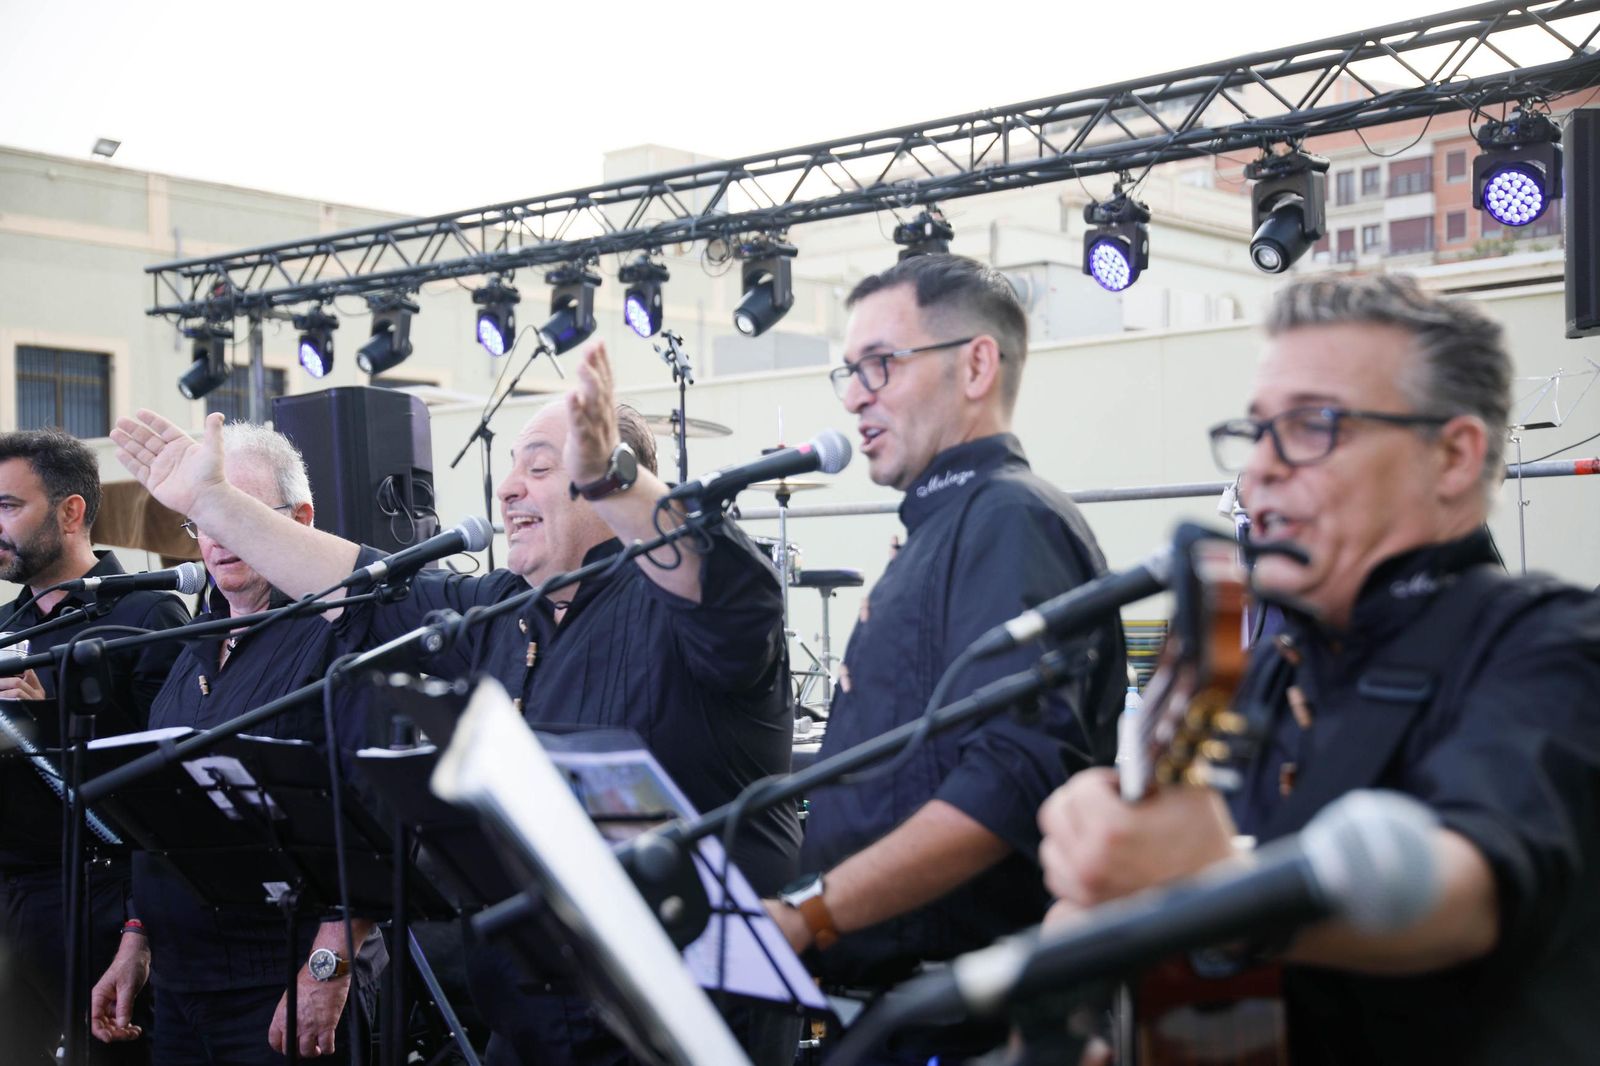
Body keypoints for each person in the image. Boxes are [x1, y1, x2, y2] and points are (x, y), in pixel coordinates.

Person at [111, 342, 799, 1066]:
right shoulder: (501, 611)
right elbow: (356, 584)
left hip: (685, 1018)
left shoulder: (681, 602)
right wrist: (215, 503)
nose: (507, 488)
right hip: (537, 1011)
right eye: (509, 468)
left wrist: (618, 480)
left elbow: (730, 589)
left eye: (541, 467)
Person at [1037, 273, 1600, 1064]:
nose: (1258, 469)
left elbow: (1465, 889)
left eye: (1310, 427)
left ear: (1452, 456)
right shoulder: (1263, 666)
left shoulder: (1552, 646)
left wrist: (1205, 878)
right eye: (1256, 432)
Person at [762, 253, 1125, 1063]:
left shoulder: (1008, 522)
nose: (856, 395)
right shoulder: (951, 524)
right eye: (848, 372)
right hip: (897, 1010)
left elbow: (1006, 783)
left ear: (975, 365)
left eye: (880, 365)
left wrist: (808, 913)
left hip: (957, 1020)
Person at [89, 423, 381, 1063]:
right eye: (202, 517)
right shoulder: (191, 643)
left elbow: (375, 814)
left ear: (300, 518)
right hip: (183, 981)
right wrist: (136, 941)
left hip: (283, 971)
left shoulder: (338, 638)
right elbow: (165, 811)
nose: (218, 537)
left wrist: (327, 967)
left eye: (236, 511)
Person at [0, 428, 192, 1065]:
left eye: (6, 507)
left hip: (100, 899)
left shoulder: (147, 615)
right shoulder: (4, 629)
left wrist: (44, 727)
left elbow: (168, 782)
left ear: (71, 511)